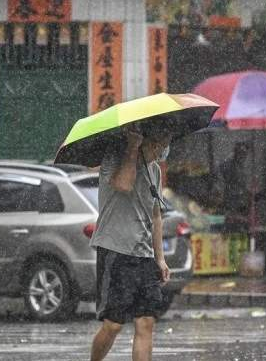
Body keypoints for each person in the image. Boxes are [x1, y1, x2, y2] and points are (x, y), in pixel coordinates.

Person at [90, 130, 172, 361]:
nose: (163, 149)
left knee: (146, 322)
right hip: (116, 250)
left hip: (144, 255)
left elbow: (156, 216)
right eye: (159, 143)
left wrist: (160, 258)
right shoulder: (115, 159)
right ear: (146, 140)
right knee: (113, 325)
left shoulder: (154, 170)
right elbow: (124, 185)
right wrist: (132, 148)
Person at [220, 142, 250, 231]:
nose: (243, 156)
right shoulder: (228, 165)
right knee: (232, 221)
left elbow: (243, 182)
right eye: (240, 152)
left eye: (244, 153)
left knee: (239, 221)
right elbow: (221, 175)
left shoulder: (243, 166)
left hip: (240, 200)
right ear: (236, 152)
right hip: (232, 198)